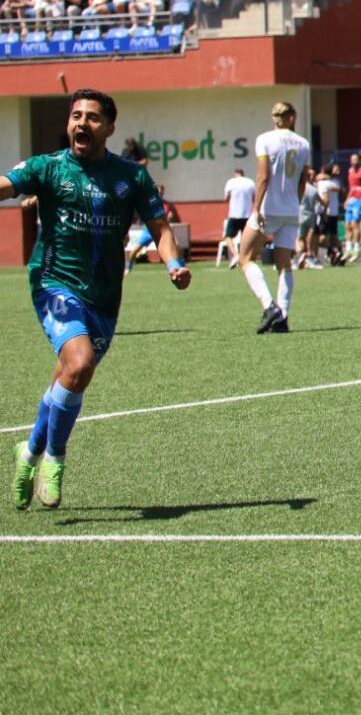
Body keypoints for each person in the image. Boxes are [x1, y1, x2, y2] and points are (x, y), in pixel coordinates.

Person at [6, 89, 190, 510]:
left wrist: (173, 264)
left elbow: (160, 228)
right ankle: (54, 458)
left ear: (109, 127)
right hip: (54, 283)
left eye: (91, 117)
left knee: (66, 378)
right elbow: (6, 185)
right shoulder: (49, 167)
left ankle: (29, 452)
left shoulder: (131, 176)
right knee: (80, 362)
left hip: (105, 297)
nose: (81, 123)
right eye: (75, 116)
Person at [236, 102, 311, 332]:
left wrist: (256, 209)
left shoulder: (265, 139)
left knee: (245, 258)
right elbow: (302, 180)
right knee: (284, 264)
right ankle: (283, 316)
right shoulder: (303, 143)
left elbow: (263, 177)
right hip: (290, 209)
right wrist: (294, 204)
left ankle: (270, 307)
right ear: (292, 117)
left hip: (268, 208)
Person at [217, 168, 257, 268]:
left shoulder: (231, 182)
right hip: (247, 214)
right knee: (246, 238)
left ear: (235, 174)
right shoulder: (250, 182)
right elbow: (254, 198)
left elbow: (225, 198)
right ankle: (245, 257)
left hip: (234, 214)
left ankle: (236, 255)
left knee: (228, 237)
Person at [294, 166, 323, 270]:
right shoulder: (314, 189)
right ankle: (310, 257)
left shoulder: (298, 187)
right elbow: (323, 202)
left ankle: (299, 255)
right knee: (309, 237)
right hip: (311, 215)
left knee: (299, 238)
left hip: (300, 213)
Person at [316, 164, 345, 267]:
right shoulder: (322, 182)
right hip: (326, 212)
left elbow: (339, 189)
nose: (338, 170)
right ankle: (334, 253)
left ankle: (336, 253)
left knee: (331, 236)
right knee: (322, 238)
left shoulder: (332, 182)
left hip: (330, 213)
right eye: (335, 169)